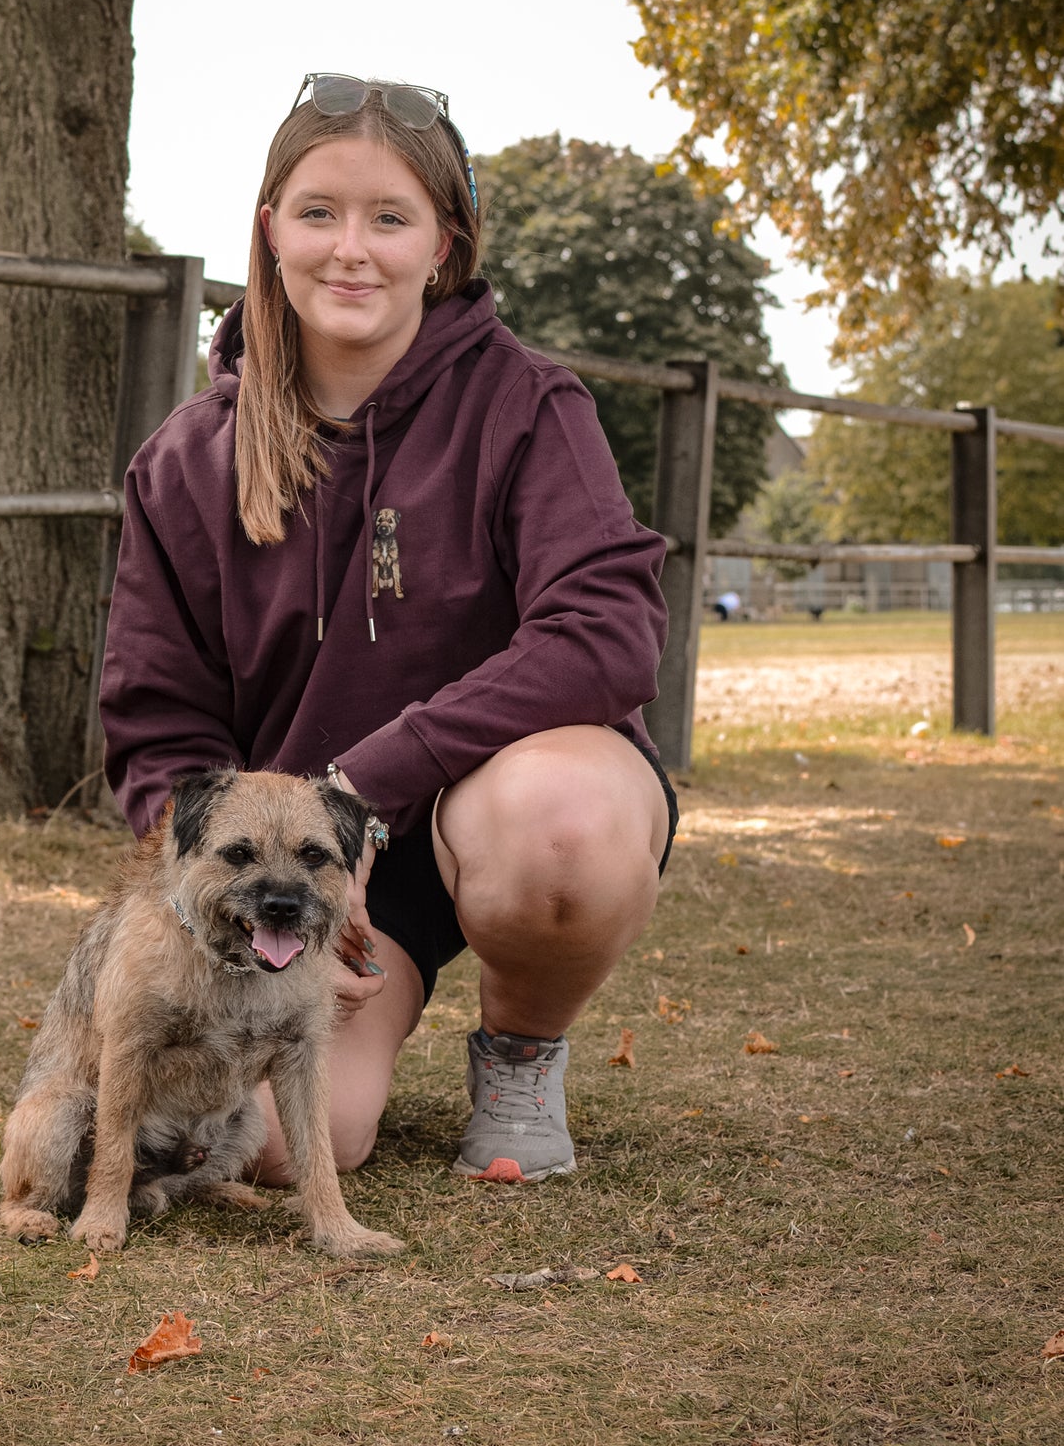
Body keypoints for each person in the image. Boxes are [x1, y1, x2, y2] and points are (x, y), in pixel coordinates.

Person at [99, 74, 677, 1187]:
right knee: (272, 1149)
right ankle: (348, 1007)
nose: (349, 249)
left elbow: (606, 635)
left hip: (495, 803)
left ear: (444, 243)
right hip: (306, 870)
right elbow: (158, 727)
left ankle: (518, 1052)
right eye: (317, 212)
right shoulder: (183, 461)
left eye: (389, 217)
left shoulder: (527, 406)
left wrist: (362, 788)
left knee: (560, 826)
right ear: (268, 231)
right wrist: (261, 896)